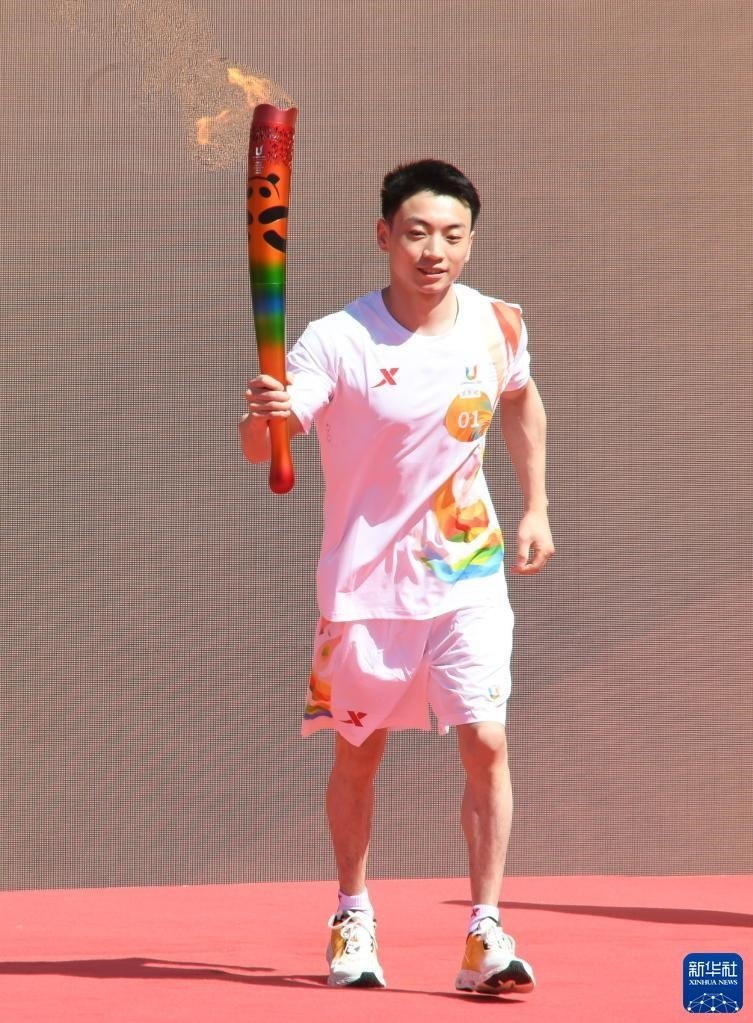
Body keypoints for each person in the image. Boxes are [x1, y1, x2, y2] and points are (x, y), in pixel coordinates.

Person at [239, 159, 554, 995]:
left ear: (470, 241)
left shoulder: (497, 323)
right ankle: (352, 911)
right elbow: (267, 441)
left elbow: (519, 399)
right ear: (384, 236)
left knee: (486, 740)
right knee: (358, 755)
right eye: (415, 232)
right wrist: (264, 417)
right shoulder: (336, 339)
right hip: (365, 589)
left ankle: (484, 931)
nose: (432, 250)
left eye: (450, 234)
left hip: (467, 572)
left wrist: (534, 505)